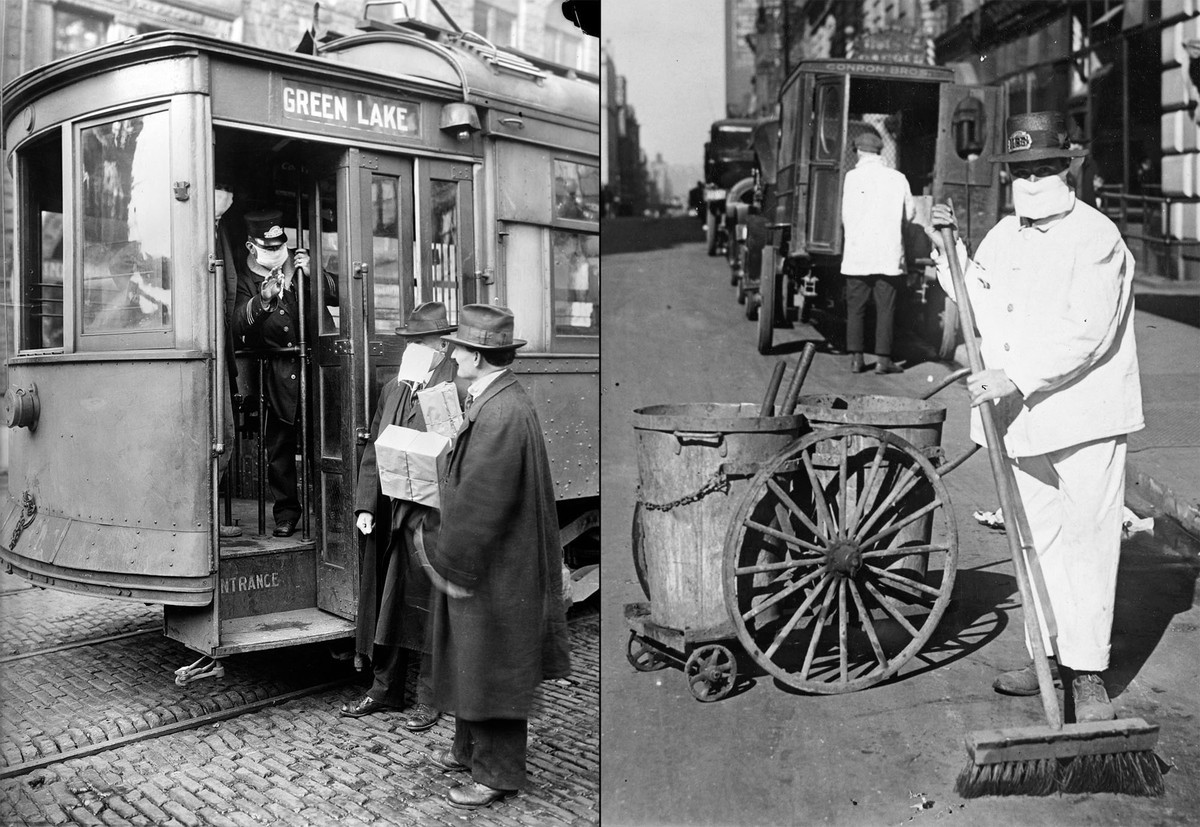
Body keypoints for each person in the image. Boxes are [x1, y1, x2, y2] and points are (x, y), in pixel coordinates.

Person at [925, 110, 1143, 723]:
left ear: (1066, 169)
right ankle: (1045, 659)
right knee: (1033, 540)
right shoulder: (1003, 235)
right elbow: (979, 301)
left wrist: (1015, 375)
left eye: (1044, 167)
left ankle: (1088, 673)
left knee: (1088, 543)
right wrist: (949, 249)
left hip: (1084, 417)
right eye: (1021, 170)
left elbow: (1087, 332)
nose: (1032, 179)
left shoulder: (1096, 236)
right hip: (1019, 417)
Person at [426, 304, 571, 810]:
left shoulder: (500, 411)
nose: (451, 355)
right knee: (477, 658)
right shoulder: (498, 400)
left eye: (458, 349)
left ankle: (496, 774)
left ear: (478, 357)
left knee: (493, 664)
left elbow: (482, 500)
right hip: (497, 562)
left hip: (493, 567)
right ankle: (469, 751)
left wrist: (451, 561)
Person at [342, 302, 460, 732]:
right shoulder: (394, 387)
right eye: (409, 341)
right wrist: (365, 505)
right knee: (388, 602)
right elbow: (374, 448)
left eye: (420, 342)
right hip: (392, 514)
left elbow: (460, 454)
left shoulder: (454, 389)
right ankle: (384, 689)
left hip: (433, 516)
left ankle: (431, 696)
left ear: (442, 346)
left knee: (430, 605)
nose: (411, 348)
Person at [230, 209, 319, 537]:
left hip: (314, 370)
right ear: (252, 247)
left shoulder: (301, 264)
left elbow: (339, 293)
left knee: (321, 443)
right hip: (277, 373)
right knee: (279, 449)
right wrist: (263, 299)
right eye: (269, 248)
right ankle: (287, 513)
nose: (277, 251)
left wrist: (313, 274)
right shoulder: (245, 279)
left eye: (280, 246)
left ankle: (329, 509)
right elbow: (238, 324)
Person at [840, 128, 915, 374]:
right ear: (880, 152)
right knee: (886, 308)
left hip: (857, 255)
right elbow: (910, 214)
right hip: (888, 254)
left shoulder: (851, 178)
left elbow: (844, 216)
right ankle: (883, 361)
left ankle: (856, 359)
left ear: (859, 152)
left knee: (856, 307)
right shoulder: (898, 178)